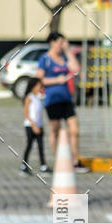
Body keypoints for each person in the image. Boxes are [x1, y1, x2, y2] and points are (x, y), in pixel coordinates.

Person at [36, 31, 88, 172]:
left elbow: (76, 69)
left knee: (74, 129)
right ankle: (61, 160)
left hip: (66, 99)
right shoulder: (45, 59)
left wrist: (68, 50)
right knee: (55, 130)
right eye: (60, 43)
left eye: (64, 43)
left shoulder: (65, 57)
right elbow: (39, 79)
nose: (62, 45)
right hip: (52, 100)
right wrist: (57, 80)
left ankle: (75, 161)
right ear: (52, 42)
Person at [21, 77, 49, 175]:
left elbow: (39, 114)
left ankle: (43, 165)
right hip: (30, 125)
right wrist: (34, 125)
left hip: (39, 125)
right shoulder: (29, 97)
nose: (40, 88)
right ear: (32, 87)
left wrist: (41, 126)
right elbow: (26, 114)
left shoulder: (38, 97)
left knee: (41, 146)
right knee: (29, 145)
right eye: (38, 86)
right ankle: (24, 165)